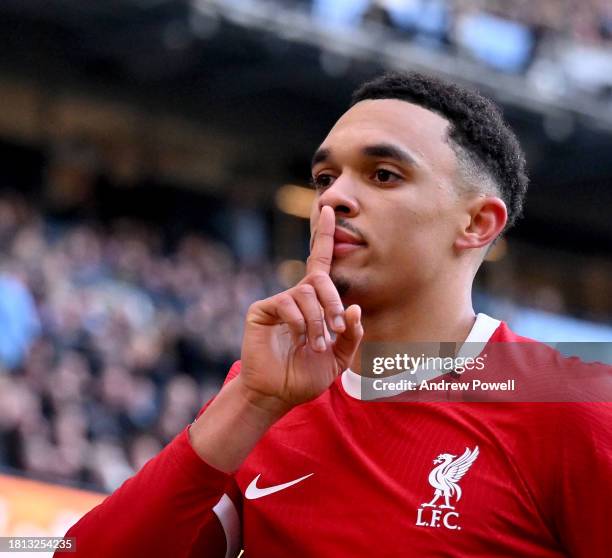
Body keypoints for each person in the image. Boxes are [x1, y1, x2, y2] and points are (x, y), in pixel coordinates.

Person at [58, 72, 611, 557]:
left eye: (384, 175)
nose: (332, 198)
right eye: (325, 178)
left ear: (477, 225)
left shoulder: (571, 404)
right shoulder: (266, 395)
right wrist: (249, 402)